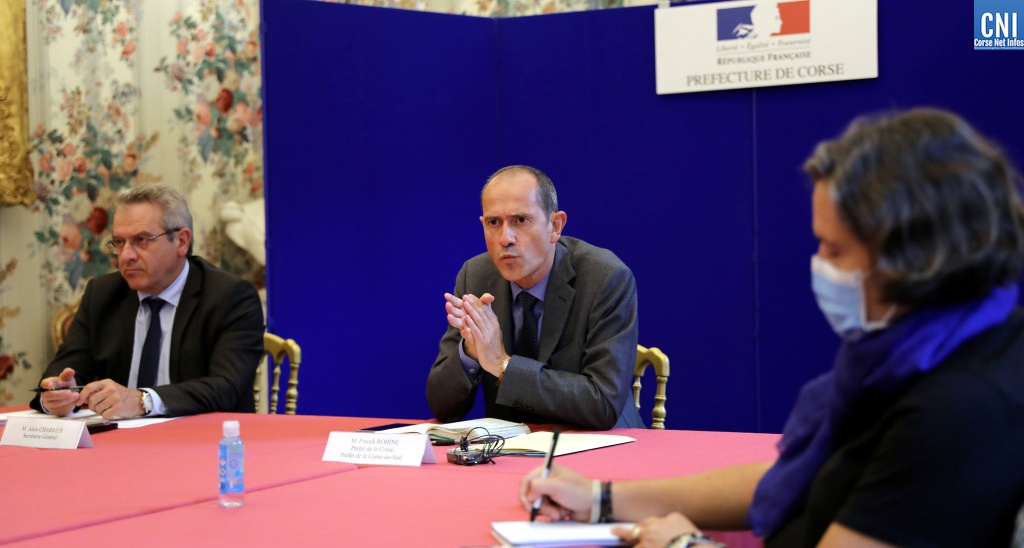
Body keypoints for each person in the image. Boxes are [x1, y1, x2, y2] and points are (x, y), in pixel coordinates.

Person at [518, 108, 1024, 547]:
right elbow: (796, 480)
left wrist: (683, 546)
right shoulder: (920, 346)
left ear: (915, 258)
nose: (819, 263)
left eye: (835, 249)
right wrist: (603, 498)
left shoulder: (957, 411)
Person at [426, 165, 644, 430]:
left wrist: (501, 364)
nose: (505, 238)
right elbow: (442, 407)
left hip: (605, 448)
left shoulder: (605, 278)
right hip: (513, 454)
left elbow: (603, 404)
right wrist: (471, 352)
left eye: (520, 220)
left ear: (555, 226)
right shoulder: (476, 276)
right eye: (494, 223)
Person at [31, 184, 265, 419]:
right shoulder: (102, 294)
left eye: (142, 240)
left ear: (182, 241)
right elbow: (66, 369)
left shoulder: (230, 297)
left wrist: (143, 400)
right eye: (119, 242)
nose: (126, 256)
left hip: (204, 441)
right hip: (119, 442)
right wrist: (55, 394)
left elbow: (226, 388)